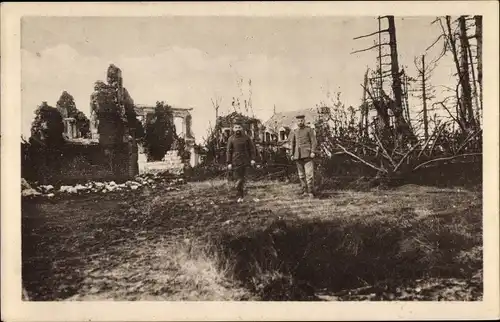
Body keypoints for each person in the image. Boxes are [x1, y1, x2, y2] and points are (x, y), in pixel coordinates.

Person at [288, 114, 318, 198]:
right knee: (301, 175)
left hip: (308, 155)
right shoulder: (295, 131)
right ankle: (304, 191)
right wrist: (291, 154)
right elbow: (292, 143)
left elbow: (314, 141)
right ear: (296, 122)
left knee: (309, 175)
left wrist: (312, 151)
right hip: (297, 155)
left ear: (304, 121)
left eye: (301, 120)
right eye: (298, 121)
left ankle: (311, 191)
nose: (300, 122)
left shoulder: (309, 130)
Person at [226, 119, 256, 202]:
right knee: (238, 179)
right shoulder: (231, 139)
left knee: (242, 179)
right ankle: (240, 196)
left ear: (242, 128)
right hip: (235, 161)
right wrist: (229, 162)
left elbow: (252, 149)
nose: (238, 129)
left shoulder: (247, 138)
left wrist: (253, 159)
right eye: (236, 127)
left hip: (245, 161)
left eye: (239, 127)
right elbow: (229, 151)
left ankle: (242, 196)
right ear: (233, 129)